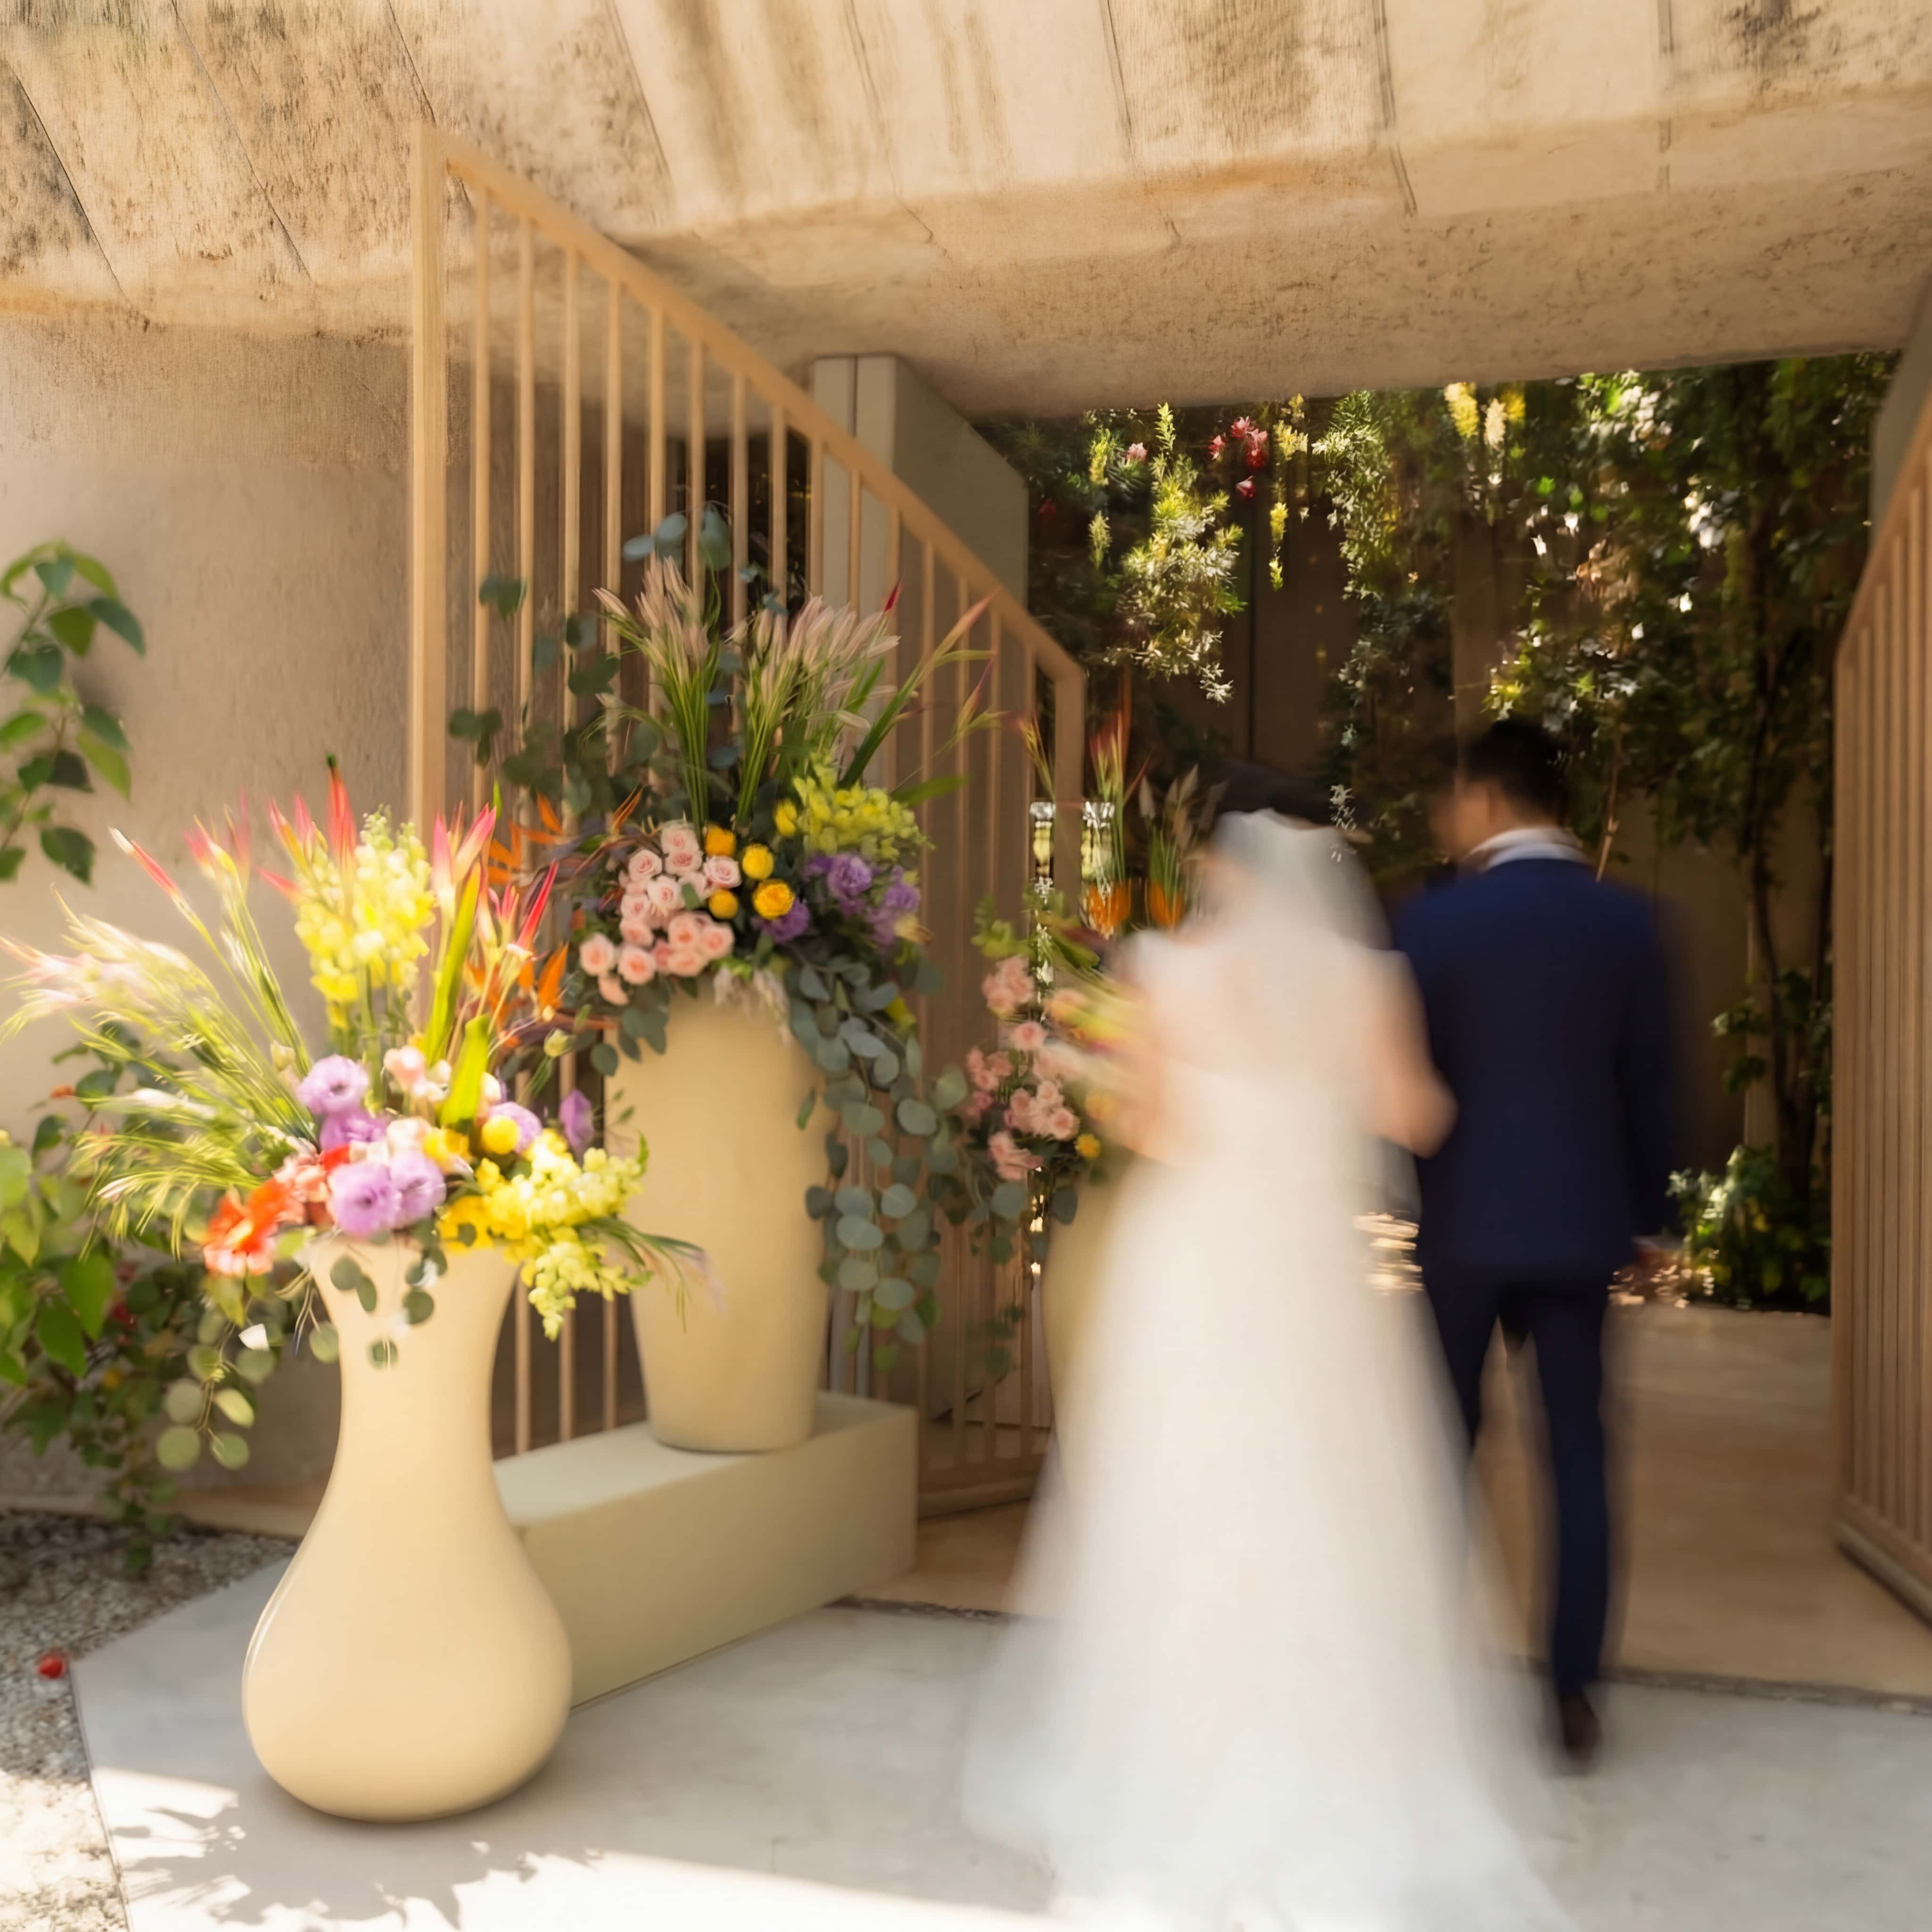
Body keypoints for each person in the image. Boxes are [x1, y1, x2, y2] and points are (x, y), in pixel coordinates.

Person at [964, 790, 1573, 1931]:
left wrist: (1086, 1067)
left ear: (1214, 859)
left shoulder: (1160, 966)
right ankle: (1336, 1749)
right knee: (1328, 1508)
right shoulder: (1368, 978)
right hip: (1310, 1275)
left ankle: (1172, 1750)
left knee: (1182, 1502)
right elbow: (1415, 1117)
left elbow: (1157, 1131)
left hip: (1193, 1263)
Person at [1392, 719, 1678, 1768]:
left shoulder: (1432, 924)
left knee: (1436, 1450)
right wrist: (1645, 1218)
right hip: (1575, 1227)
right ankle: (1570, 1699)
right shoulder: (1626, 922)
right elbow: (1649, 1084)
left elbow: (1402, 1082)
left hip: (1462, 1226)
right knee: (1577, 1454)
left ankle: (1426, 1674)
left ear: (1482, 797)